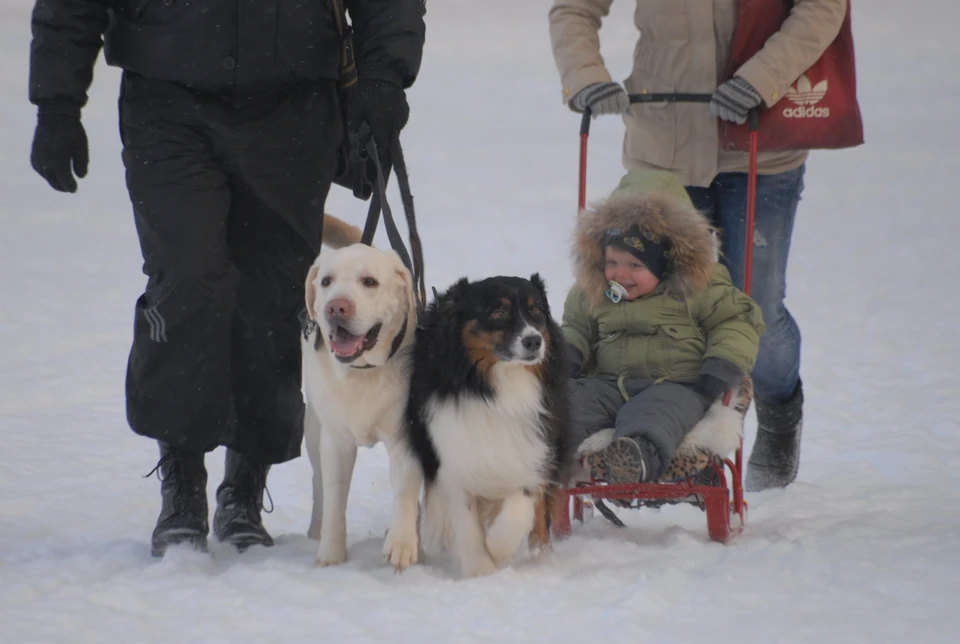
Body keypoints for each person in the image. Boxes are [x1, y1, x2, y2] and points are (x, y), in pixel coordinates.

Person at [28, 0, 426, 557]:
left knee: (273, 295)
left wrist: (383, 78)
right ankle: (182, 488)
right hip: (168, 99)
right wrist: (57, 102)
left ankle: (244, 488)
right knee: (187, 281)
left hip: (295, 108)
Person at [549, 0, 849, 490]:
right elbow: (574, 8)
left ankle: (776, 406)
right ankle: (664, 429)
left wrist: (762, 78)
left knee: (756, 305)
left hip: (759, 134)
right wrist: (585, 74)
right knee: (639, 288)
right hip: (662, 138)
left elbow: (822, 6)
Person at [562, 169, 765, 484]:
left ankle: (635, 456)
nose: (620, 275)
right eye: (612, 262)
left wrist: (721, 364)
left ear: (666, 263)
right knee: (571, 404)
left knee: (656, 414)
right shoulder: (592, 290)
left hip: (677, 384)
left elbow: (736, 320)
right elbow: (576, 326)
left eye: (635, 265)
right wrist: (568, 354)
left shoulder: (700, 288)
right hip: (608, 384)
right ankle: (540, 452)